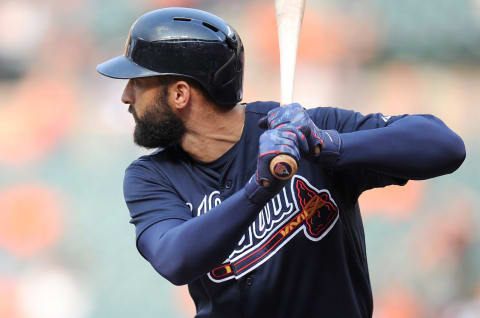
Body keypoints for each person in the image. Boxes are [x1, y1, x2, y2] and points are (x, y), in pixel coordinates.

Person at [97, 7, 466, 318]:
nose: (127, 96)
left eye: (138, 83)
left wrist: (327, 145)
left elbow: (446, 147)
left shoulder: (304, 130)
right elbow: (175, 258)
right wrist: (259, 189)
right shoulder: (152, 175)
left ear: (180, 93)